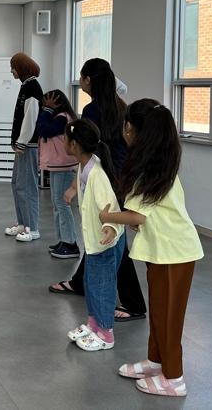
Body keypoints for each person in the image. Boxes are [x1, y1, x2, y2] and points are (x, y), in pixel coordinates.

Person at [100, 99, 203, 397]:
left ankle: (174, 378)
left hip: (177, 252)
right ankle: (156, 361)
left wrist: (106, 217)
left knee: (170, 317)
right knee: (159, 310)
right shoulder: (153, 165)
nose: (124, 130)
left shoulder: (151, 170)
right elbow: (148, 214)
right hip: (162, 249)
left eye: (126, 125)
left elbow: (136, 215)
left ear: (133, 130)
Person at [49, 58, 147, 323]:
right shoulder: (120, 106)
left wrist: (73, 185)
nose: (79, 82)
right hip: (121, 179)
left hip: (106, 180)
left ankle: (135, 303)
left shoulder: (93, 110)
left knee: (113, 242)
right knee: (99, 234)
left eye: (81, 77)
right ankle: (80, 282)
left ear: (89, 80)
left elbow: (87, 152)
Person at [62, 119, 126, 351]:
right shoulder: (85, 164)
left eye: (65, 139)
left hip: (105, 242)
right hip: (94, 242)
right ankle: (93, 324)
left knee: (103, 286)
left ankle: (106, 333)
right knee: (91, 284)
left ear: (75, 145)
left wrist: (110, 228)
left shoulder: (97, 174)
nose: (63, 142)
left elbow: (111, 207)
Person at [4, 52, 43, 242]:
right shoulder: (26, 86)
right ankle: (22, 224)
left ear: (21, 68)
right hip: (23, 145)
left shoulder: (33, 87)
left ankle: (32, 228)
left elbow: (31, 117)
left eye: (13, 67)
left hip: (28, 145)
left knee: (27, 187)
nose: (11, 70)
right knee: (17, 185)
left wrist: (21, 141)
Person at [36, 89, 79, 256]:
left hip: (64, 167)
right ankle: (64, 240)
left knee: (62, 204)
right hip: (57, 166)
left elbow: (43, 129)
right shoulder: (61, 117)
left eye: (47, 102)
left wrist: (47, 110)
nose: (45, 105)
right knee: (57, 204)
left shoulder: (62, 118)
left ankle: (71, 244)